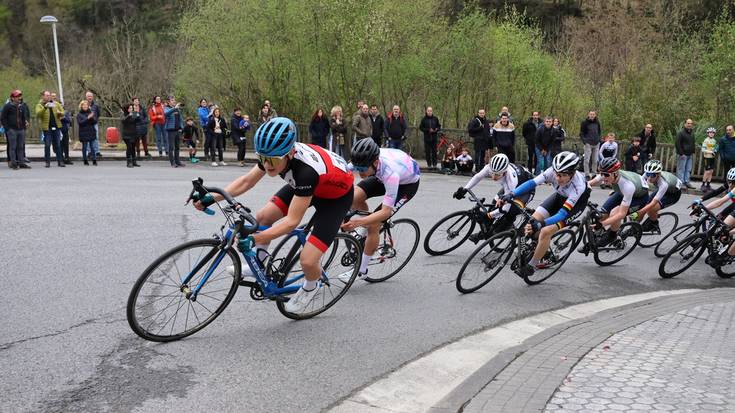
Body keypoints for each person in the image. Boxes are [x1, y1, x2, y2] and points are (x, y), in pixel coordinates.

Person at [195, 117, 354, 314]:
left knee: (308, 261)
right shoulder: (273, 154)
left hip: (335, 197)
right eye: (262, 158)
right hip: (312, 185)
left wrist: (256, 237)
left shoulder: (305, 172)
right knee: (262, 217)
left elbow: (291, 222)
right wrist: (211, 198)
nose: (266, 165)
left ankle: (312, 287)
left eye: (272, 160)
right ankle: (259, 265)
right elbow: (246, 181)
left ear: (290, 153)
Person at [498, 151, 589, 277]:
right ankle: (541, 248)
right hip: (559, 196)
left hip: (575, 205)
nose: (557, 178)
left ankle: (532, 265)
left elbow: (562, 214)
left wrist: (542, 224)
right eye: (556, 174)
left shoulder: (578, 186)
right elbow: (532, 183)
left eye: (562, 175)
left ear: (572, 173)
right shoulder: (552, 171)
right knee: (531, 222)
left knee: (546, 231)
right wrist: (512, 194)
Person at [341, 138, 420, 279]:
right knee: (353, 198)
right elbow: (343, 171)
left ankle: (362, 271)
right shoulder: (364, 160)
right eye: (357, 169)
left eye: (363, 169)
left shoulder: (390, 174)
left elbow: (386, 211)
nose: (360, 173)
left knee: (374, 225)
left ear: (375, 162)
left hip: (406, 185)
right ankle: (365, 231)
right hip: (380, 175)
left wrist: (358, 223)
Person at [453, 153, 534, 243]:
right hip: (509, 188)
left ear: (505, 172)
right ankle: (490, 229)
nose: (494, 177)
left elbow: (506, 208)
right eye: (492, 173)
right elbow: (477, 177)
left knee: (509, 213)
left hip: (525, 191)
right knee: (493, 206)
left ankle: (507, 228)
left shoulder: (511, 179)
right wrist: (465, 189)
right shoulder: (490, 166)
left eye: (497, 175)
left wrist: (489, 215)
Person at [586, 158, 650, 249]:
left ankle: (612, 236)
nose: (603, 177)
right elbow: (589, 184)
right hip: (622, 191)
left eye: (606, 175)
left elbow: (621, 214)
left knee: (615, 213)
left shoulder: (628, 186)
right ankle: (601, 234)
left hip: (639, 198)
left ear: (615, 174)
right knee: (601, 214)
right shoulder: (607, 173)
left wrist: (602, 224)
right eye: (601, 174)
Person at [634, 160, 682, 233]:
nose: (649, 178)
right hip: (664, 190)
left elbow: (653, 203)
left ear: (658, 174)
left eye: (652, 175)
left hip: (673, 195)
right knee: (643, 205)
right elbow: (637, 185)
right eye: (648, 174)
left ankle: (654, 224)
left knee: (651, 209)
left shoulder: (664, 184)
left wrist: (639, 212)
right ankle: (634, 227)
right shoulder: (648, 174)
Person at [1, 89, 31, 169]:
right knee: (13, 147)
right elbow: (3, 118)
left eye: (19, 96)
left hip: (21, 129)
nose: (19, 98)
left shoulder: (21, 106)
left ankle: (21, 163)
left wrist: (24, 127)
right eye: (17, 96)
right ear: (12, 98)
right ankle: (13, 163)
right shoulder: (7, 106)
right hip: (12, 130)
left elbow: (23, 117)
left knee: (21, 147)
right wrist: (7, 129)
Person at [35, 90, 65, 168]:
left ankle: (60, 161)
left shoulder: (56, 104)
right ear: (43, 96)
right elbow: (38, 114)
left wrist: (60, 113)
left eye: (49, 95)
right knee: (47, 145)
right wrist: (45, 107)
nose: (48, 96)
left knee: (58, 145)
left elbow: (63, 112)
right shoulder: (40, 105)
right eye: (47, 95)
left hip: (57, 127)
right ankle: (47, 162)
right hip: (47, 129)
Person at [163, 96, 185, 168]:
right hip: (170, 130)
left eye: (174, 100)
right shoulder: (166, 108)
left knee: (177, 147)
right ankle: (172, 163)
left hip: (177, 130)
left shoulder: (177, 109)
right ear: (169, 102)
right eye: (172, 100)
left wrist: (181, 127)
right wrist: (174, 108)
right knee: (171, 147)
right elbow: (166, 114)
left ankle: (177, 161)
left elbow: (180, 119)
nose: (174, 101)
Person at [580, 110, 602, 179]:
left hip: (596, 143)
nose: (592, 115)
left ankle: (594, 174)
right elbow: (581, 133)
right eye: (591, 114)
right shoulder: (584, 123)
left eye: (593, 114)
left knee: (595, 160)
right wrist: (585, 142)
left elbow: (599, 132)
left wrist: (599, 140)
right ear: (588, 115)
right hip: (588, 144)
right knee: (587, 160)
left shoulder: (597, 122)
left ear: (595, 115)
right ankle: (587, 174)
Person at [675, 119, 695, 188]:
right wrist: (681, 153)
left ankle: (687, 182)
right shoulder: (681, 133)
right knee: (681, 169)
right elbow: (677, 143)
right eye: (688, 123)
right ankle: (681, 183)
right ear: (685, 124)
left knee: (688, 169)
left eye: (691, 123)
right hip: (683, 155)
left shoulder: (692, 133)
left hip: (690, 154)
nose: (689, 125)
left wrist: (693, 151)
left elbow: (692, 143)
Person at [76, 100, 97, 166]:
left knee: (92, 147)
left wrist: (92, 118)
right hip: (83, 132)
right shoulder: (79, 114)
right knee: (84, 147)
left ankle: (94, 160)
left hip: (91, 131)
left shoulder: (91, 113)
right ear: (81, 106)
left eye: (86, 105)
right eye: (84, 105)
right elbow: (80, 123)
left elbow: (94, 122)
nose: (85, 106)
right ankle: (85, 160)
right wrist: (88, 118)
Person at [121, 103, 141, 168]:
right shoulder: (123, 114)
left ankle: (134, 161)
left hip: (133, 134)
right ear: (127, 109)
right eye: (130, 108)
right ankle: (128, 162)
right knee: (129, 147)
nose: (131, 109)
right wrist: (129, 115)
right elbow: (123, 120)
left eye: (131, 108)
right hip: (126, 134)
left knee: (133, 147)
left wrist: (138, 114)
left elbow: (139, 120)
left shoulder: (133, 113)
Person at [55, 94, 73, 165]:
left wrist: (63, 118)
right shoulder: (55, 112)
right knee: (60, 145)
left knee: (66, 145)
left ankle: (67, 158)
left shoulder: (66, 112)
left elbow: (69, 120)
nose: (60, 106)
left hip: (65, 130)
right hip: (58, 130)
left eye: (61, 105)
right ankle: (61, 158)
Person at [85, 91, 103, 158]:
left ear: (92, 97)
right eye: (88, 96)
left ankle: (97, 151)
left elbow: (98, 114)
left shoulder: (96, 105)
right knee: (88, 138)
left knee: (96, 138)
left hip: (94, 124)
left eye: (91, 96)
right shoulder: (84, 105)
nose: (90, 97)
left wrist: (95, 120)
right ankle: (89, 152)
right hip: (86, 124)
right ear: (86, 97)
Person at [701, 127, 717, 192]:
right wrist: (711, 152)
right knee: (707, 171)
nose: (711, 134)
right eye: (710, 132)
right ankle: (703, 185)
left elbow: (715, 148)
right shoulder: (706, 140)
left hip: (712, 158)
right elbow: (703, 150)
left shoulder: (714, 141)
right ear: (708, 133)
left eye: (713, 133)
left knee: (711, 171)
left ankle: (708, 185)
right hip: (707, 157)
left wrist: (715, 151)